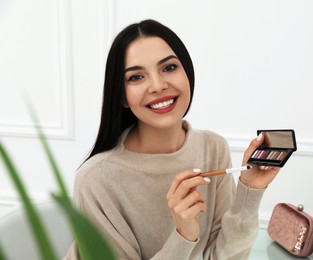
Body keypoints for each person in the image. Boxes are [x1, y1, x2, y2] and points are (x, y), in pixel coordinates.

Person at [64, 19, 280, 260]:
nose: (157, 86)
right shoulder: (96, 180)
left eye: (168, 68)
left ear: (187, 73)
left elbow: (225, 257)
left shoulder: (213, 148)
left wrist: (250, 189)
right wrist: (183, 235)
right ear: (122, 96)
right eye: (136, 77)